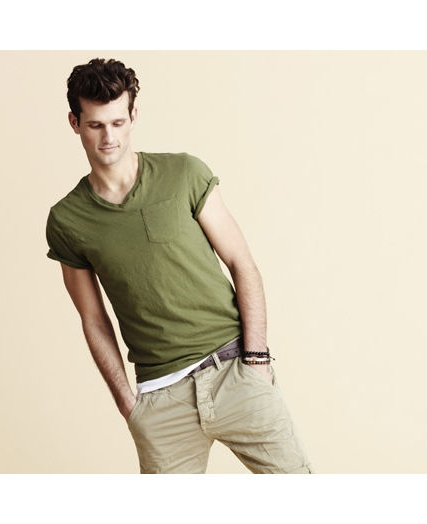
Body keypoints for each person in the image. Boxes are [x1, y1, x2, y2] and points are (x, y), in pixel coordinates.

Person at [45, 58, 313, 474]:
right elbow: (93, 319)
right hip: (160, 398)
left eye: (118, 122)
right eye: (96, 125)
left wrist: (257, 362)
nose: (109, 137)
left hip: (234, 369)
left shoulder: (184, 172)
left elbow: (241, 262)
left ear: (133, 116)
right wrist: (129, 405)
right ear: (74, 123)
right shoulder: (68, 220)